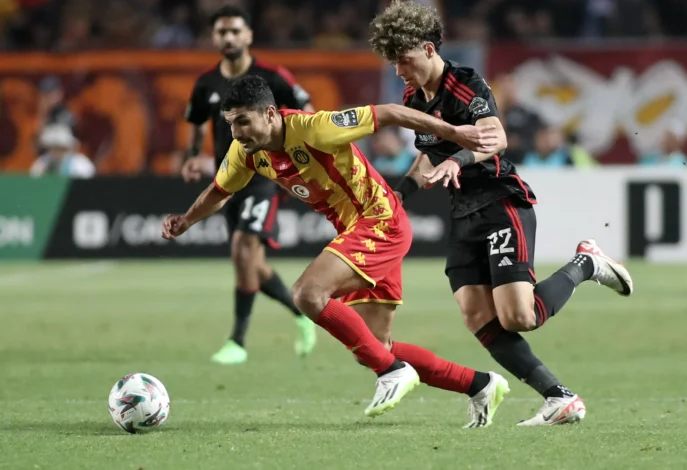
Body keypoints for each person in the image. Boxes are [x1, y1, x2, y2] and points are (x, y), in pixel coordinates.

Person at [162, 75, 511, 426]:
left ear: (269, 114)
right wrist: (187, 219)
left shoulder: (315, 128)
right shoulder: (246, 152)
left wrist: (454, 133)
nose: (235, 133)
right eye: (230, 124)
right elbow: (219, 191)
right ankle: (480, 385)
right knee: (374, 347)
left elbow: (389, 112)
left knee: (308, 294)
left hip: (380, 221)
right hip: (358, 231)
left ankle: (391, 371)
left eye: (242, 121)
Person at [369, 0, 634, 426]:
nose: (399, 70)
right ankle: (559, 398)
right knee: (476, 315)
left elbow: (495, 137)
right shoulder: (413, 97)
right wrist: (399, 196)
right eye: (393, 62)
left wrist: (458, 160)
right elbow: (427, 154)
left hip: (500, 202)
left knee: (519, 317)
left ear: (429, 49)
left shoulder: (466, 84)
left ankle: (586, 263)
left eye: (404, 59)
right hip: (463, 213)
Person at [182, 5, 317, 365]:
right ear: (214, 37)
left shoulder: (272, 77)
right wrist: (192, 156)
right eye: (221, 32)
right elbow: (197, 122)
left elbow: (307, 111)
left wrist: (298, 158)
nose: (228, 37)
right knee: (253, 266)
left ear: (248, 35)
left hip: (267, 177)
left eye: (235, 31)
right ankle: (302, 314)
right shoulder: (206, 83)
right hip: (229, 178)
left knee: (243, 248)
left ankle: (237, 341)